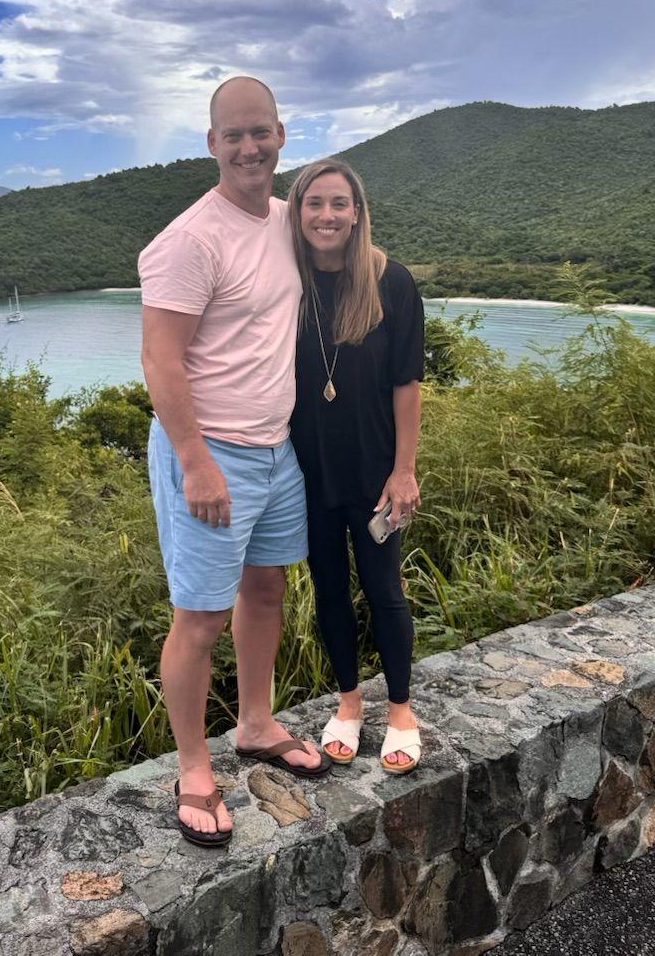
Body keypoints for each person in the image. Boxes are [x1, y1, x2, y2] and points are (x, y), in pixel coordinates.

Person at [138, 76, 330, 849]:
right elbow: (160, 360)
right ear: (212, 143)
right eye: (234, 134)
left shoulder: (289, 222)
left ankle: (255, 723)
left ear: (282, 135)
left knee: (266, 591)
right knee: (200, 617)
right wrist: (195, 462)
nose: (250, 146)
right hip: (211, 451)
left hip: (276, 448)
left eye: (262, 132)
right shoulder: (189, 239)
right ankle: (192, 766)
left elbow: (353, 263)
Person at [286, 159, 425, 774]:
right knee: (329, 590)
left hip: (375, 473)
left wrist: (405, 470)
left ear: (358, 212)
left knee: (384, 588)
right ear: (297, 211)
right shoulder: (286, 281)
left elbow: (407, 384)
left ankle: (400, 709)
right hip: (306, 473)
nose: (327, 215)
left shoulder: (390, 282)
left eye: (339, 203)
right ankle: (348, 704)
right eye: (314, 203)